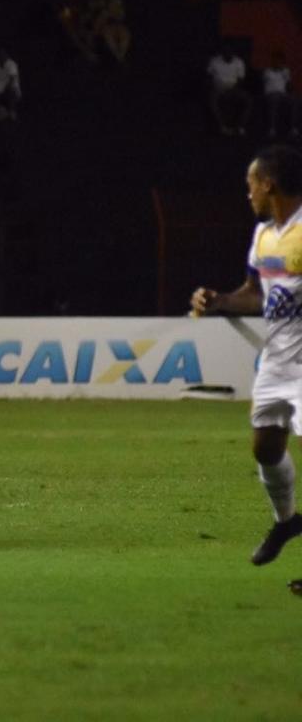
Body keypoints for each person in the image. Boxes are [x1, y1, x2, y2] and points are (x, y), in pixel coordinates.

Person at [190, 145, 302, 573]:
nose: (248, 192)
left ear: (269, 184)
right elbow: (255, 293)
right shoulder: (263, 236)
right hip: (278, 355)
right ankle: (286, 522)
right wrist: (218, 300)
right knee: (266, 447)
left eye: (251, 184)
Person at [208, 45, 252, 136]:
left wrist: (233, 89)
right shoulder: (214, 61)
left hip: (234, 87)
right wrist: (214, 86)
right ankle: (223, 126)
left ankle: (240, 126)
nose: (228, 54)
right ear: (222, 52)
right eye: (226, 51)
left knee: (248, 100)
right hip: (218, 87)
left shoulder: (239, 62)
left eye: (230, 52)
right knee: (212, 101)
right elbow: (208, 76)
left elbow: (241, 80)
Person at [262, 52, 297, 138]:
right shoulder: (267, 71)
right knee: (275, 99)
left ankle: (293, 128)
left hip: (283, 95)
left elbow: (289, 86)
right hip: (271, 94)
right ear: (273, 61)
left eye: (280, 61)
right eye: (276, 60)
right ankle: (272, 128)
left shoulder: (285, 71)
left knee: (294, 101)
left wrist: (285, 75)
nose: (278, 62)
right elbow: (263, 83)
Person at [0, 48, 22, 122]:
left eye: (3, 55)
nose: (1, 57)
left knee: (11, 90)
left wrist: (4, 91)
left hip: (11, 88)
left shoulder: (12, 64)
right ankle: (1, 110)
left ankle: (12, 111)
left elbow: (12, 79)